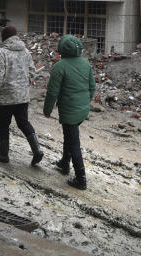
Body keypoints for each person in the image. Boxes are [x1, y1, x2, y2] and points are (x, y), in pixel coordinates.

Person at [43, 34, 95, 190]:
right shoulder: (86, 64)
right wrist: (85, 102)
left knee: (74, 143)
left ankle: (81, 178)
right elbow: (92, 87)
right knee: (69, 135)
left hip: (69, 110)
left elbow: (52, 92)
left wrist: (47, 110)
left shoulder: (60, 66)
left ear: (62, 49)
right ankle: (64, 163)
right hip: (82, 109)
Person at [0, 25, 44, 166]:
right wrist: (24, 86)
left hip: (6, 97)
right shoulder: (26, 51)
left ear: (4, 38)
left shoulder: (0, 53)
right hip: (22, 96)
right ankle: (37, 149)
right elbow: (32, 73)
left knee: (3, 125)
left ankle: (3, 155)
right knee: (23, 123)